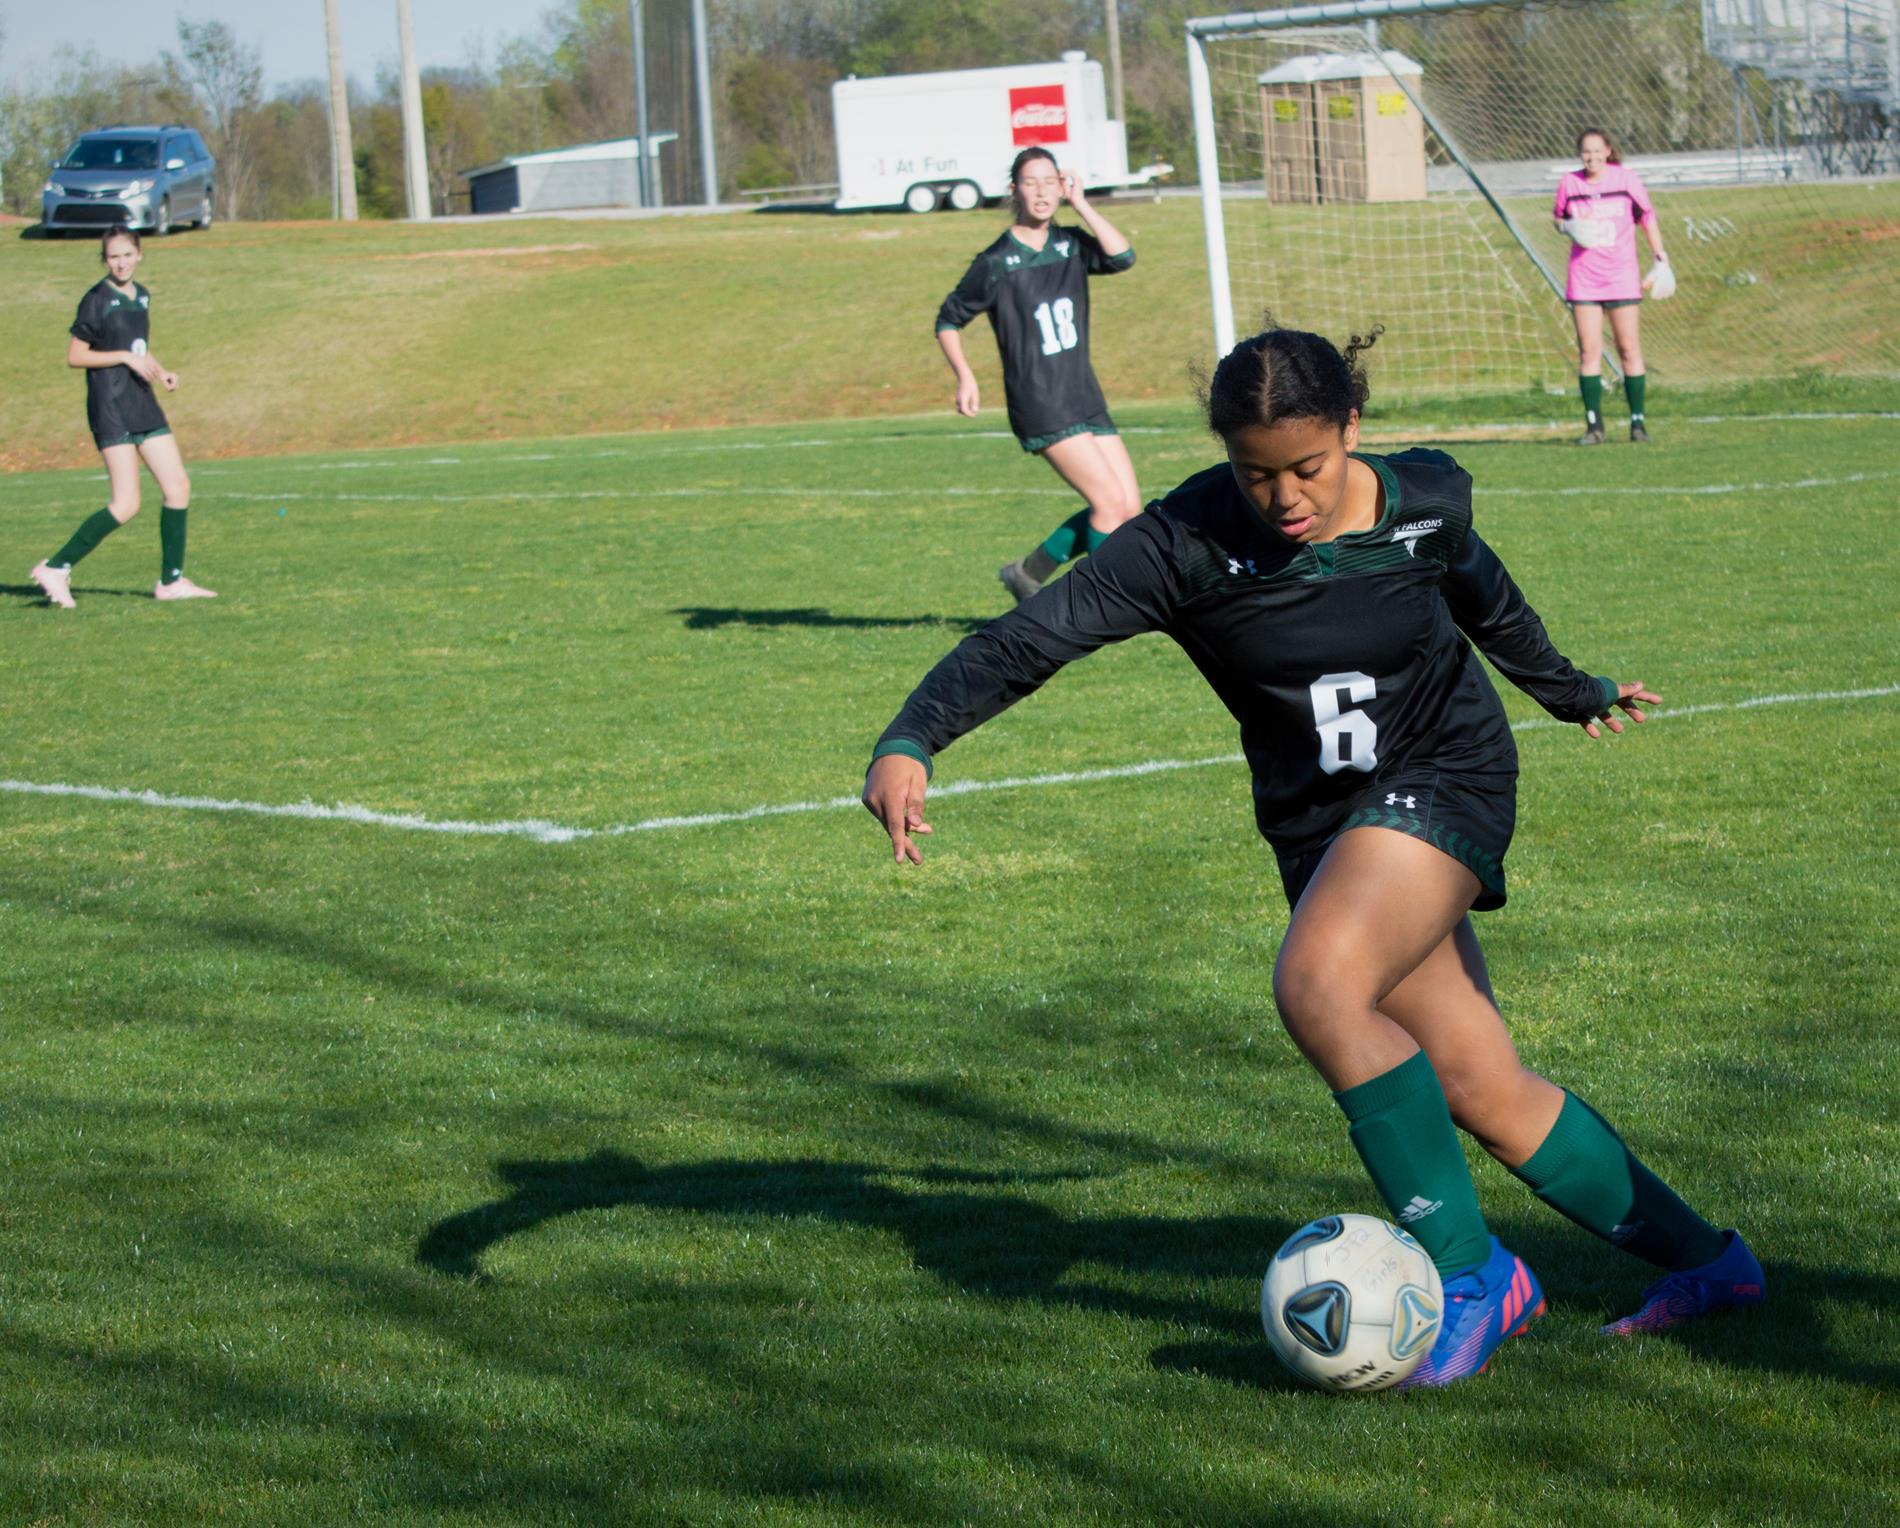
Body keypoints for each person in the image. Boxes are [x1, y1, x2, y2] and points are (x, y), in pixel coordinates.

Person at [863, 324, 1763, 1386]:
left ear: (1350, 429)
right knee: (1478, 1081)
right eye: (1255, 473)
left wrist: (1572, 692)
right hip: (1318, 827)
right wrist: (911, 736)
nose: (1284, 495)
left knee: (1317, 982)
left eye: (1307, 466)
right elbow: (1030, 639)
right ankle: (1711, 1266)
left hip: (1446, 775)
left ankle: (1470, 1274)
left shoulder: (1423, 501)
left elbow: (1487, 600)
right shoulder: (1181, 542)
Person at [935, 147, 1142, 604]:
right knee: (1109, 505)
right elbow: (947, 320)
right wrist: (965, 377)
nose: (1042, 191)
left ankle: (1027, 575)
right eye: (1031, 182)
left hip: (1083, 394)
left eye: (1050, 181)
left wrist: (1083, 204)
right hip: (1039, 401)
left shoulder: (1069, 245)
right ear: (1014, 190)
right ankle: (1105, 608)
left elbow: (1123, 256)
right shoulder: (995, 262)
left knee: (1128, 507)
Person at [29, 224, 215, 609]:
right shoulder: (96, 299)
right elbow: (75, 355)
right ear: (105, 259)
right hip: (110, 406)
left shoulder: (141, 296)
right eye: (114, 256)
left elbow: (137, 348)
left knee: (178, 486)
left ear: (139, 254)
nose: (121, 262)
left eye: (127, 254)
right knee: (126, 503)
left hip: (141, 400)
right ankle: (56, 566)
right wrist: (125, 358)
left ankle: (171, 582)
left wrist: (160, 371)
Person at [1554, 128, 1670, 446]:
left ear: (1608, 151)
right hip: (1585, 279)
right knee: (1589, 351)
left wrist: (1661, 258)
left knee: (1628, 350)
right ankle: (1594, 426)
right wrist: (1569, 226)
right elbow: (1559, 219)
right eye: (1585, 152)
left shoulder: (1625, 180)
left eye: (1596, 150)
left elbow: (1647, 217)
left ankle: (1637, 423)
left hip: (1621, 276)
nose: (1591, 157)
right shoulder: (1570, 183)